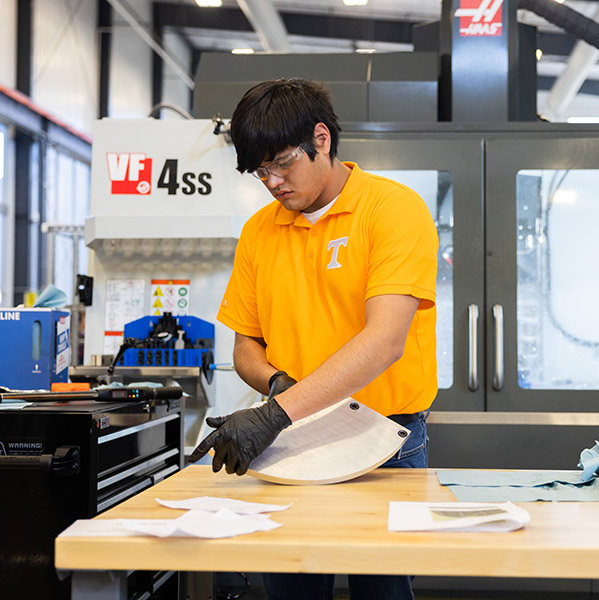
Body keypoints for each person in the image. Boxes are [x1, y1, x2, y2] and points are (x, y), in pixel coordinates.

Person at [188, 78, 439, 600]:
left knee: (383, 592)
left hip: (385, 439)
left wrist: (274, 412)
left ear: (320, 139)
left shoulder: (393, 210)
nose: (273, 182)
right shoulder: (260, 231)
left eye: (282, 163)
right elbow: (245, 348)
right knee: (291, 589)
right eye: (261, 172)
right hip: (290, 442)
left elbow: (385, 340)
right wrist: (278, 383)